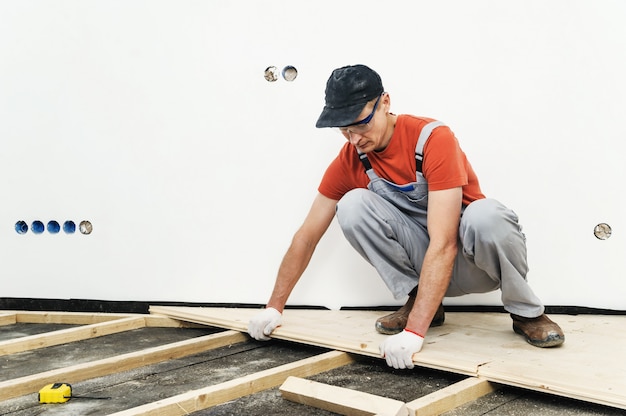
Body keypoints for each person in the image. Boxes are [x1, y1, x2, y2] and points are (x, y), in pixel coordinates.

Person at [248, 64, 564, 370]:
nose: (354, 138)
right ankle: (423, 302)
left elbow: (444, 242)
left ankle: (526, 313)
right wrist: (273, 307)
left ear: (385, 102)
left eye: (360, 124)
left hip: (473, 263)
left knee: (486, 215)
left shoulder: (432, 139)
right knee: (352, 205)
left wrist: (413, 333)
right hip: (425, 266)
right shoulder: (351, 159)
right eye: (344, 130)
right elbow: (306, 236)